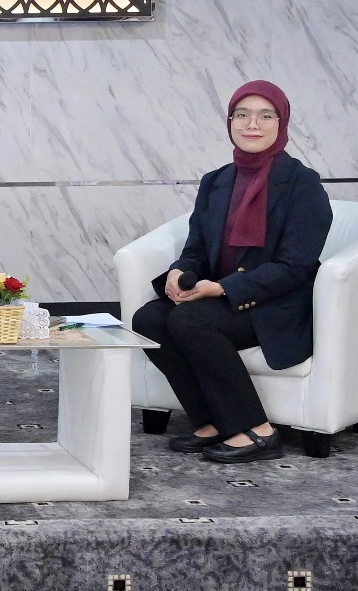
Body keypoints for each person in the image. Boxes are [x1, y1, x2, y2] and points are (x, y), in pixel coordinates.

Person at [132, 80, 331, 464]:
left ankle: (258, 431)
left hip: (275, 303)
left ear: (281, 123)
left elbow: (295, 267)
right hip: (219, 296)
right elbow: (195, 248)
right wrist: (179, 272)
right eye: (242, 115)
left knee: (191, 321)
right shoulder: (216, 181)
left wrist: (222, 289)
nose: (252, 124)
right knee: (149, 318)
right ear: (230, 122)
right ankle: (212, 420)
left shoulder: (302, 183)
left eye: (265, 115)